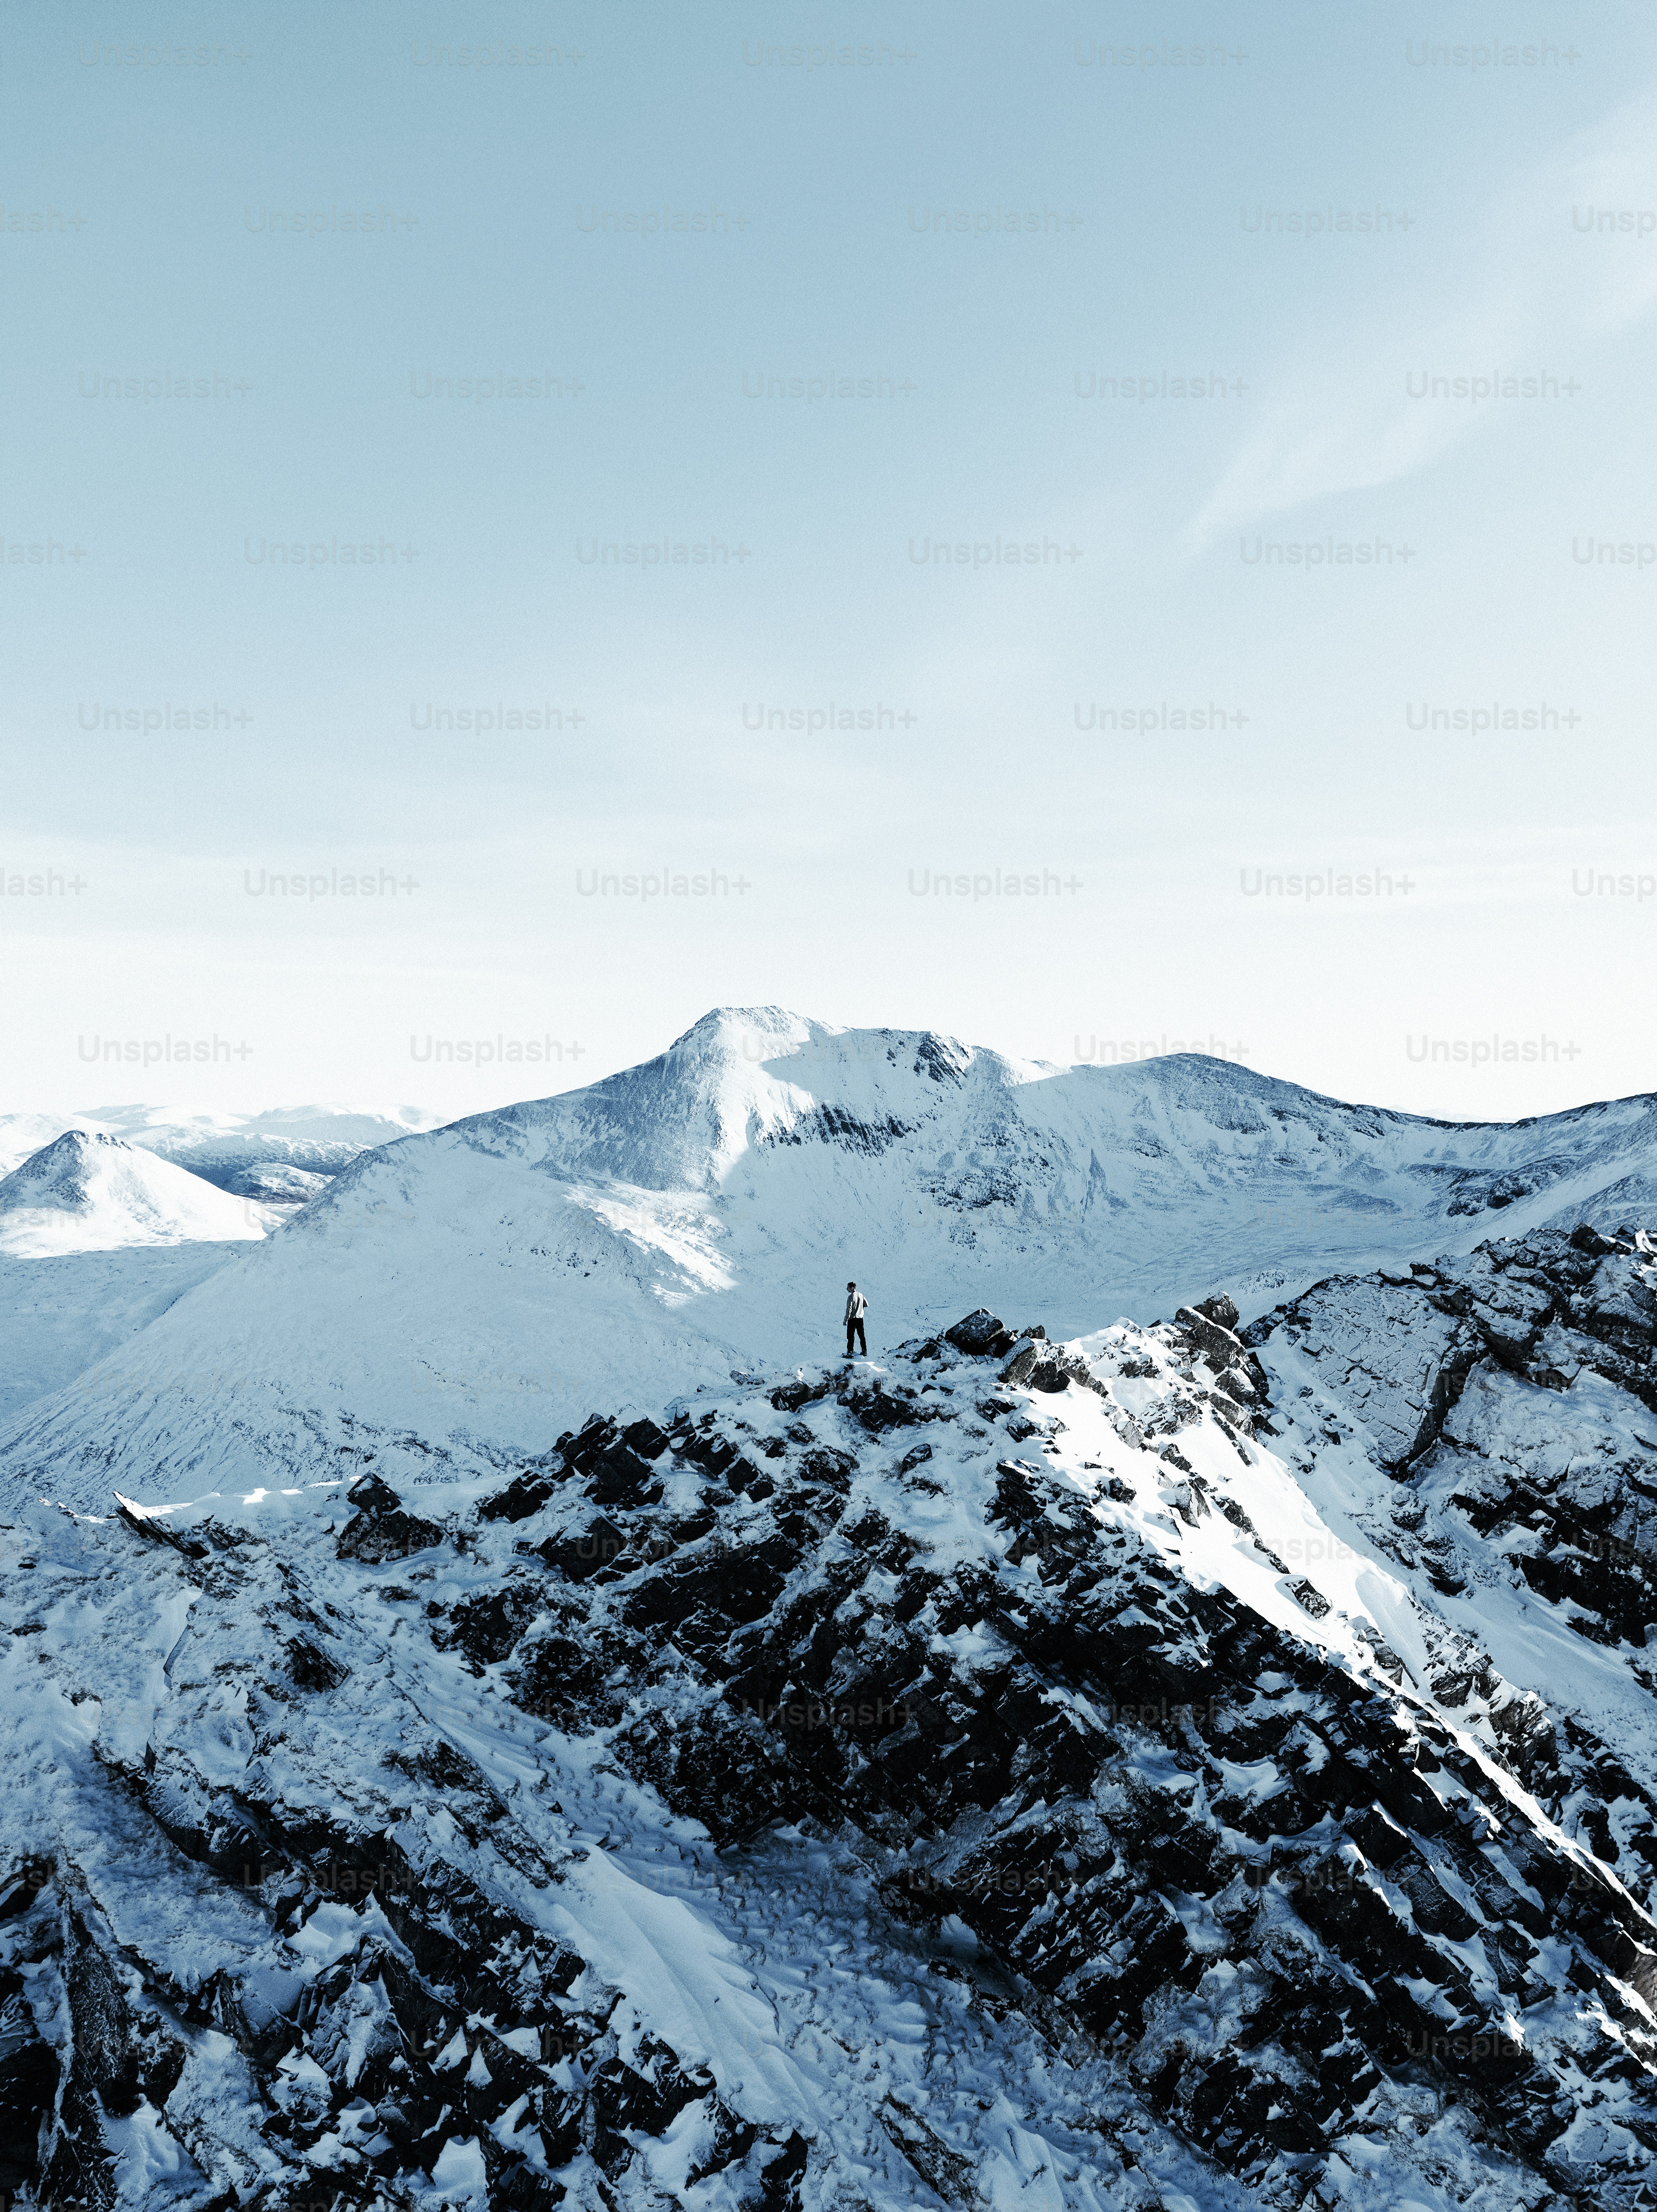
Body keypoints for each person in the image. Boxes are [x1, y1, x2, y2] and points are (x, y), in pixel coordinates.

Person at [844, 1281, 868, 1358]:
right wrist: (860, 1308)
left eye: (848, 1287)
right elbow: (867, 1305)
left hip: (852, 1319)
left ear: (852, 1288)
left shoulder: (851, 1297)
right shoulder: (861, 1295)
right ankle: (864, 1351)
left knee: (851, 1336)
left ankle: (850, 1352)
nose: (847, 1289)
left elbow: (849, 1310)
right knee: (862, 1335)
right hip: (860, 1319)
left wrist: (845, 1320)